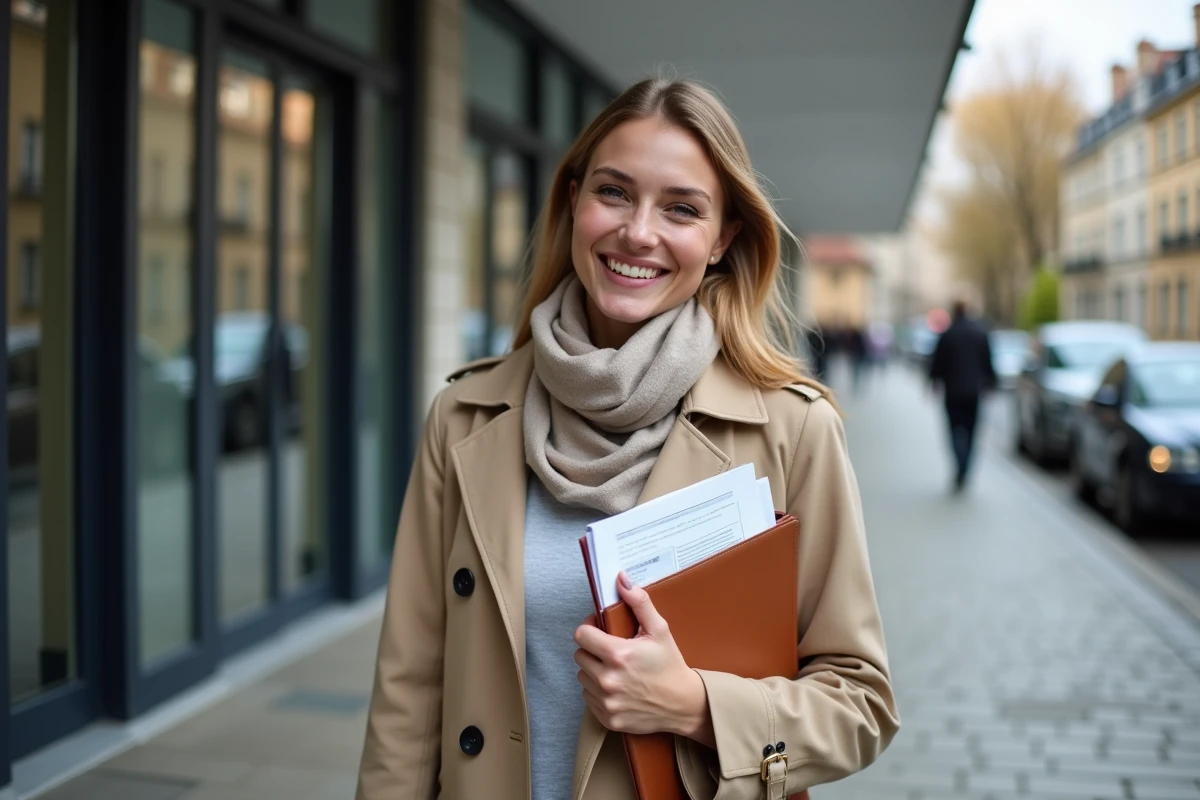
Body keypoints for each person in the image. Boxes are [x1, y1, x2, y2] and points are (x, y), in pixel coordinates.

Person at [355, 77, 898, 800]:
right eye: (613, 192)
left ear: (722, 239)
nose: (638, 232)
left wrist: (699, 707)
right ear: (573, 201)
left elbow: (861, 704)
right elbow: (409, 688)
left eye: (680, 208)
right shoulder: (465, 416)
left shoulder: (792, 429)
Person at [928, 298, 997, 493]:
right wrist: (991, 383)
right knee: (971, 431)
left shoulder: (947, 334)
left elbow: (936, 363)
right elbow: (988, 361)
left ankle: (960, 464)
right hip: (973, 392)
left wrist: (933, 383)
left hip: (952, 392)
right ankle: (965, 467)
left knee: (954, 430)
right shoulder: (980, 333)